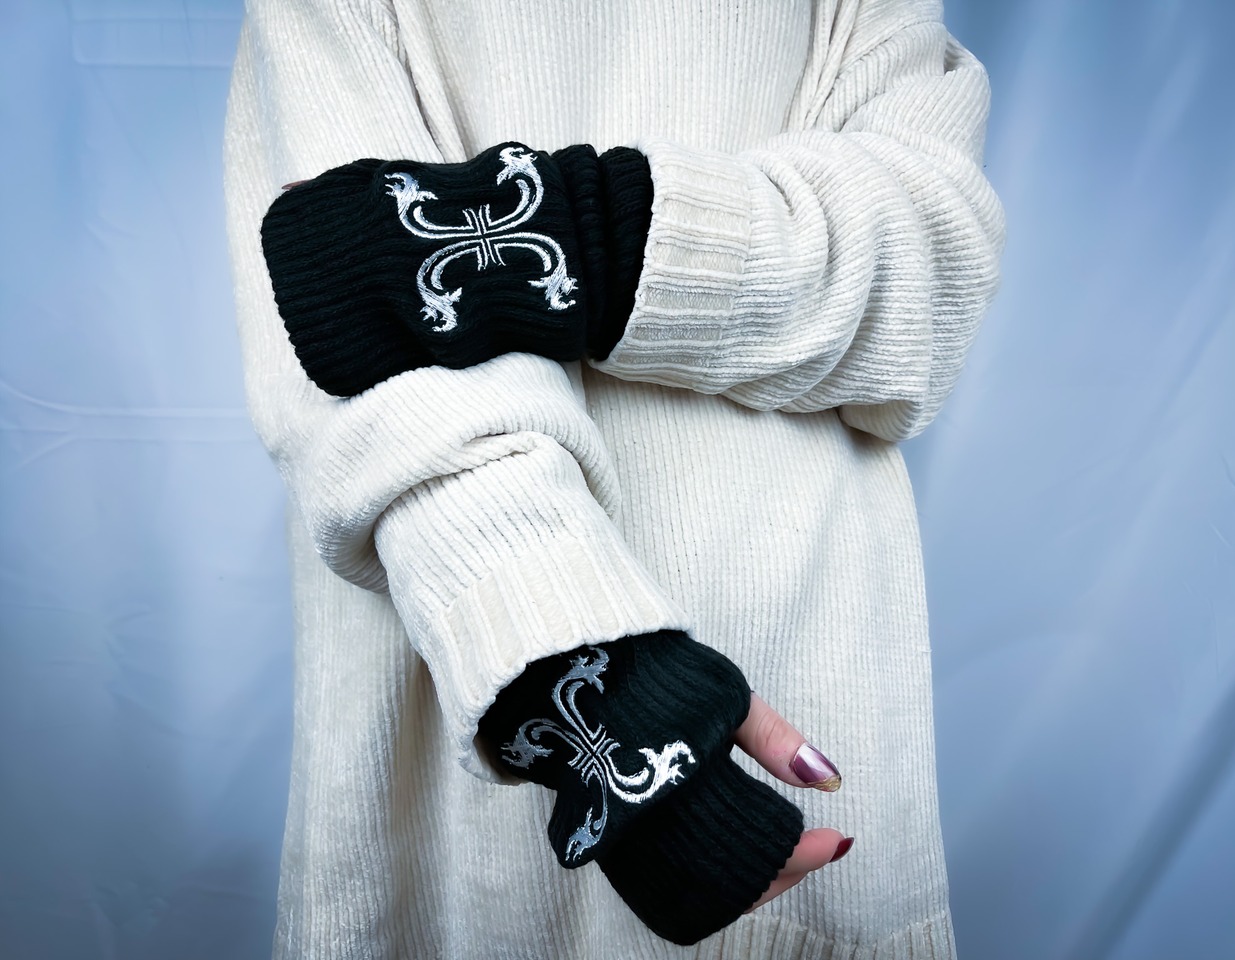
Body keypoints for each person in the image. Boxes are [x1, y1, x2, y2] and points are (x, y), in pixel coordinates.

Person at [223, 0, 1005, 956]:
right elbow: (354, 366)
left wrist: (581, 227)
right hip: (476, 691)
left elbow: (929, 269)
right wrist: (590, 688)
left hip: (815, 647)